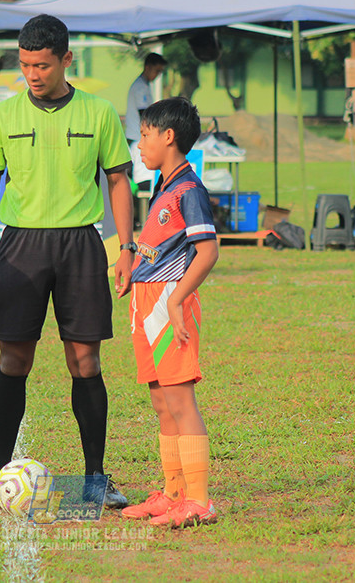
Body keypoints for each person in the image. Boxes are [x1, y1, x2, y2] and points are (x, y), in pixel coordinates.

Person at [0, 14, 135, 511]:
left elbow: (119, 182)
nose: (32, 74)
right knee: (14, 360)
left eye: (42, 65)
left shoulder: (100, 113)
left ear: (66, 60)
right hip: (21, 247)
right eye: (25, 65)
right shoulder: (4, 116)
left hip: (81, 245)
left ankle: (96, 478)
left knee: (86, 361)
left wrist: (125, 247)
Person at [119, 97, 219, 529]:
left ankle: (198, 501)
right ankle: (173, 492)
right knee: (162, 401)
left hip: (168, 304)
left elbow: (208, 251)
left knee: (180, 400)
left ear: (168, 136)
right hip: (147, 302)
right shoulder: (164, 184)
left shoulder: (188, 190)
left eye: (144, 135)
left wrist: (176, 299)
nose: (139, 144)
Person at [125, 53, 168, 147]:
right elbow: (144, 115)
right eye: (157, 71)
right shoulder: (140, 88)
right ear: (148, 67)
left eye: (160, 72)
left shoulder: (144, 85)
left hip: (138, 136)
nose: (158, 75)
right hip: (136, 138)